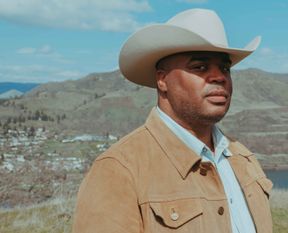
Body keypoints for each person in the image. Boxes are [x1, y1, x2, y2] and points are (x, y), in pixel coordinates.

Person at [72, 8, 273, 233]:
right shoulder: (119, 171)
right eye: (200, 67)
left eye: (225, 68)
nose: (219, 77)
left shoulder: (243, 158)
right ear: (162, 80)